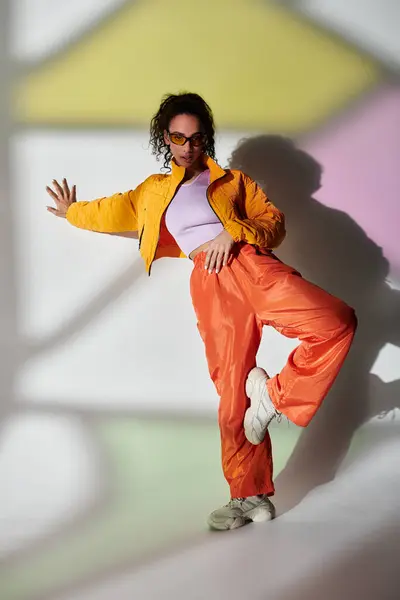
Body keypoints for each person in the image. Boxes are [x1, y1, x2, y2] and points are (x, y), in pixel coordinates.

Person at [46, 92, 357, 531]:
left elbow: (275, 224)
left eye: (196, 138)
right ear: (166, 138)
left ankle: (274, 396)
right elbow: (109, 212)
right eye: (178, 137)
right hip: (208, 284)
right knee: (231, 390)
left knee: (335, 322)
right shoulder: (152, 193)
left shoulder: (234, 182)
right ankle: (249, 497)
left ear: (205, 138)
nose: (188, 146)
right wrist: (71, 212)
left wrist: (233, 234)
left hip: (252, 266)